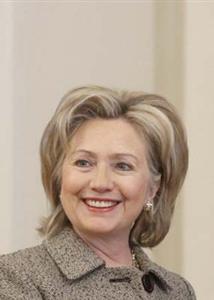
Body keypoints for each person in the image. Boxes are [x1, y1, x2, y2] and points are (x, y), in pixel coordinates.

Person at [0, 86, 195, 299]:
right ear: (59, 178)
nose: (100, 183)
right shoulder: (15, 278)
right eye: (83, 163)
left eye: (122, 166)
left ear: (153, 189)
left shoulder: (177, 291)